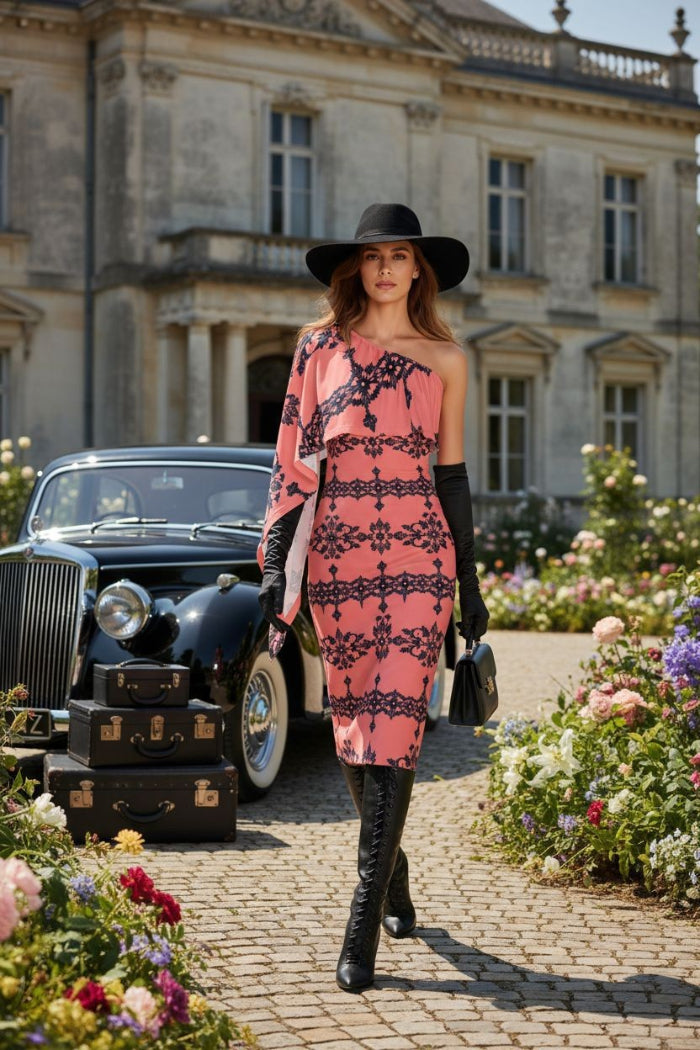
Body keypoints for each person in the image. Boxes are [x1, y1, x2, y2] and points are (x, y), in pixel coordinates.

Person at [256, 202, 489, 992]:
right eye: (373, 255)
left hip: (420, 555)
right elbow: (293, 464)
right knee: (356, 726)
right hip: (339, 559)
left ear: (419, 268)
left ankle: (362, 921)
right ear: (354, 269)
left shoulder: (448, 359)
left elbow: (452, 478)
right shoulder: (317, 350)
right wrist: (275, 562)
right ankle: (394, 867)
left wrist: (470, 580)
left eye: (401, 255)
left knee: (395, 727)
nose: (387, 267)